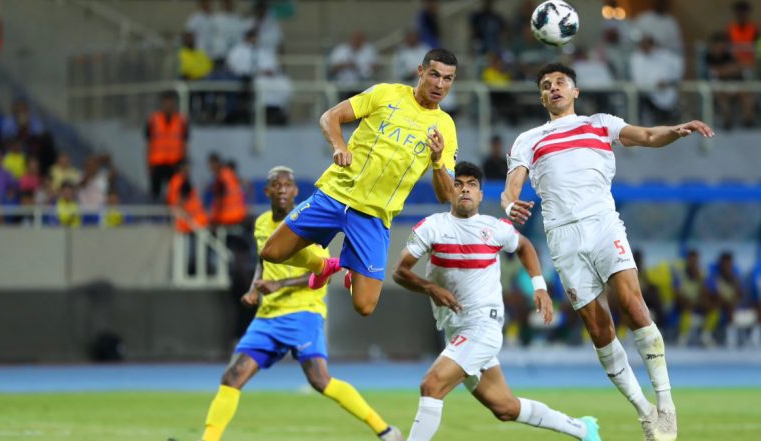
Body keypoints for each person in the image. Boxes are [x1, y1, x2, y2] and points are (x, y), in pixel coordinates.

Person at [501, 63, 715, 441]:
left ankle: (666, 405)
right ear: (540, 96)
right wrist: (509, 205)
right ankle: (645, 412)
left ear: (575, 91)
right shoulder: (529, 139)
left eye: (561, 83)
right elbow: (511, 186)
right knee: (599, 329)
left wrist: (676, 131)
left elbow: (648, 135)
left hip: (603, 223)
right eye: (547, 85)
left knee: (633, 305)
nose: (554, 89)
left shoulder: (599, 123)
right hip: (563, 238)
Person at [190, 166, 402, 441]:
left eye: (287, 184)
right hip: (268, 315)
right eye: (275, 185)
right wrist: (257, 287)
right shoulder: (261, 223)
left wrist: (279, 285)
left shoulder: (310, 223)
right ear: (266, 191)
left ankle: (384, 430)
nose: (281, 189)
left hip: (304, 312)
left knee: (320, 381)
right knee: (232, 377)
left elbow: (322, 271)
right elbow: (263, 259)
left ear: (295, 190)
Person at [392, 162, 601, 441]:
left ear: (480, 195)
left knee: (431, 385)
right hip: (455, 330)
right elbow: (399, 272)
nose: (465, 188)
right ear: (450, 192)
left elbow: (525, 246)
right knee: (504, 407)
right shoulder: (432, 227)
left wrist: (539, 287)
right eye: (459, 183)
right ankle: (582, 428)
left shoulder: (494, 229)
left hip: (483, 326)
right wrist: (430, 288)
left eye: (472, 185)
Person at [259, 48, 459, 317]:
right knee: (270, 252)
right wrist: (339, 145)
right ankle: (322, 266)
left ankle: (351, 271)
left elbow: (446, 195)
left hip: (373, 216)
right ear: (420, 72)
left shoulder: (445, 127)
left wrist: (436, 160)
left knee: (364, 306)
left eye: (448, 79)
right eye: (434, 74)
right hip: (335, 195)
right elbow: (330, 117)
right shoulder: (386, 93)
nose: (439, 84)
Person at [145, 91, 189, 201]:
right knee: (155, 195)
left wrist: (185, 165)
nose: (168, 106)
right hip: (157, 164)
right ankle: (155, 217)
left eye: (171, 103)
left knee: (174, 194)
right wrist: (148, 164)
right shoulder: (153, 120)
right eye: (166, 103)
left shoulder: (181, 120)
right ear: (162, 104)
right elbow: (148, 143)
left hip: (175, 164)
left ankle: (173, 217)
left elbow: (185, 143)